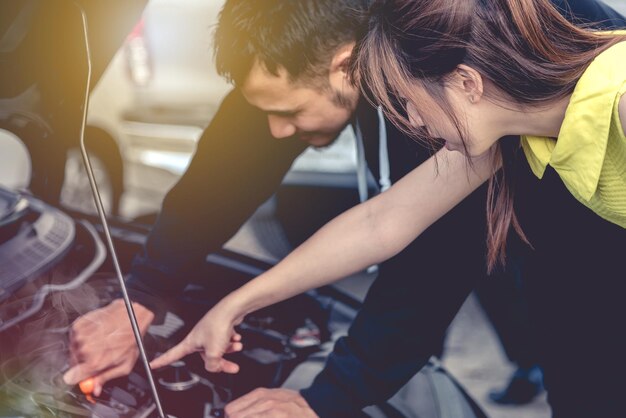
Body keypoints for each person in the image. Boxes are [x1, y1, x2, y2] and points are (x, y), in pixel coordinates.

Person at [65, 0, 625, 416]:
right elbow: (383, 222)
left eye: (404, 102)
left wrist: (325, 398)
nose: (409, 125)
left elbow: (426, 274)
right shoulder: (501, 135)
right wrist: (229, 305)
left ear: (467, 83)